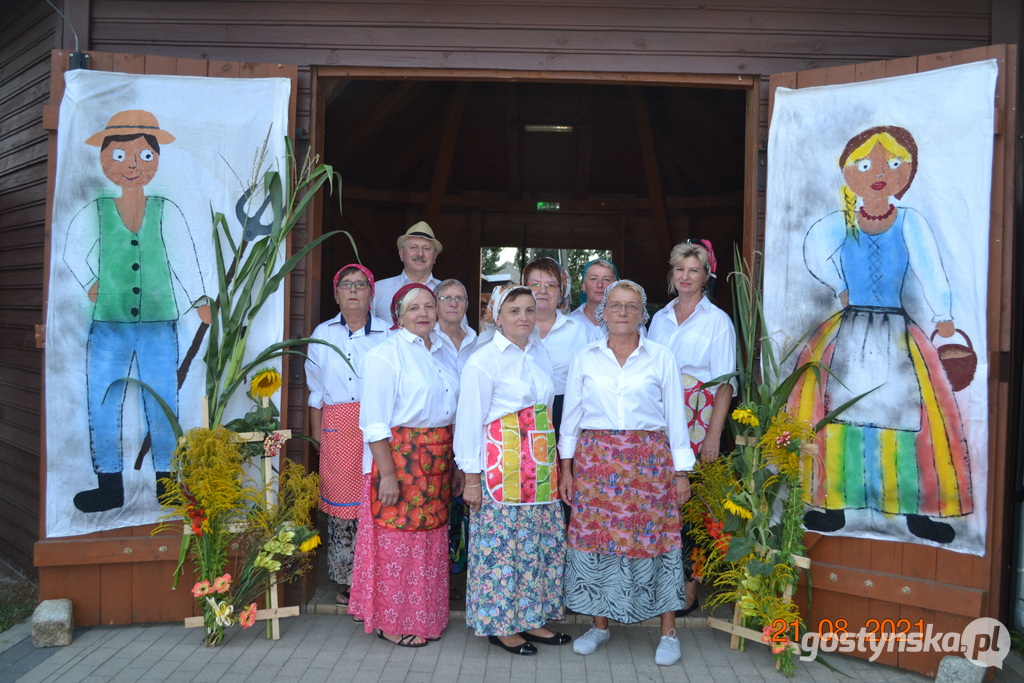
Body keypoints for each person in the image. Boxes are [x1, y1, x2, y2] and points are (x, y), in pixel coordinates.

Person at [793, 125, 971, 544]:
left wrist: (944, 313)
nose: (878, 171)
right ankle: (834, 506)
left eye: (892, 163)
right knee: (836, 416)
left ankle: (913, 510)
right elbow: (813, 251)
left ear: (906, 173)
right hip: (852, 330)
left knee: (908, 419)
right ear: (848, 172)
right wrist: (840, 286)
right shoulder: (840, 223)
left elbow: (931, 269)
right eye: (865, 163)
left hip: (894, 333)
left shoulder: (910, 222)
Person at [63, 109, 210, 513]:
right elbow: (72, 252)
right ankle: (109, 485)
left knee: (163, 400)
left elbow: (185, 259)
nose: (132, 165)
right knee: (103, 402)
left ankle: (167, 482)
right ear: (104, 161)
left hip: (159, 322)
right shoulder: (96, 211)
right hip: (108, 324)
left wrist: (199, 301)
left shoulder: (166, 210)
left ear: (156, 161)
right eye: (121, 156)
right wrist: (90, 282)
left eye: (144, 156)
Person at [558, 280, 694, 667]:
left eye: (631, 306)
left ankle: (668, 632)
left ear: (642, 312)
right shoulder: (585, 356)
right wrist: (566, 468)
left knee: (658, 540)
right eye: (615, 305)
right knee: (597, 541)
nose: (622, 312)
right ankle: (599, 625)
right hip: (596, 462)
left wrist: (681, 472)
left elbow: (675, 418)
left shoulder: (661, 356)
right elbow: (571, 418)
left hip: (648, 463)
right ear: (602, 312)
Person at [454, 286, 569, 656]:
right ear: (496, 316)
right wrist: (471, 479)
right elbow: (469, 421)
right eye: (514, 310)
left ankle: (532, 617)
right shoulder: (483, 360)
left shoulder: (539, 353)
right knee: (502, 549)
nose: (523, 317)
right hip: (501, 467)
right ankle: (501, 624)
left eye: (529, 310)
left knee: (536, 546)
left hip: (539, 466)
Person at [348, 284, 460, 647]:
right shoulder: (386, 355)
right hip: (400, 460)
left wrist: (456, 465)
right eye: (415, 308)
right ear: (398, 314)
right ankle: (390, 621)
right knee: (396, 543)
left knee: (429, 541)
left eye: (430, 305)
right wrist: (389, 476)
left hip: (437, 461)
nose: (424, 313)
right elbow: (374, 422)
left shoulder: (443, 353)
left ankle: (425, 617)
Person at [647, 239, 736, 614]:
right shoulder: (658, 318)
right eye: (680, 269)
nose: (685, 276)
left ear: (705, 276)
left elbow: (725, 384)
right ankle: (655, 584)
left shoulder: (717, 321)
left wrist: (713, 436)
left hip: (700, 419)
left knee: (694, 507)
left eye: (693, 270)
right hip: (662, 419)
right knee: (660, 504)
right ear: (672, 274)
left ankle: (689, 587)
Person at [305, 264, 389, 607]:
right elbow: (315, 394)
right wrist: (318, 443)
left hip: (378, 425)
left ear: (372, 294)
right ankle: (349, 582)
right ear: (336, 294)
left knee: (378, 501)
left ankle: (377, 578)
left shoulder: (388, 333)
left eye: (360, 285)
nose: (353, 291)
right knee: (343, 510)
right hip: (337, 426)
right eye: (346, 285)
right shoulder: (322, 333)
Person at [520, 257, 589, 431]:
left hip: (568, 414)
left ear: (561, 292)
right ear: (524, 289)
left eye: (551, 285)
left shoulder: (580, 331)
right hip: (519, 414)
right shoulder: (511, 330)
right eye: (535, 284)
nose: (543, 290)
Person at [371, 221, 443, 321]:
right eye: (414, 247)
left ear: (435, 256)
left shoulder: (447, 293)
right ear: (401, 254)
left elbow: (461, 333)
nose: (420, 254)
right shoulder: (378, 290)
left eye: (426, 248)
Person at [434, 279, 479, 373]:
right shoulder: (427, 339)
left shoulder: (476, 342)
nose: (454, 304)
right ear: (435, 304)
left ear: (466, 304)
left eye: (459, 298)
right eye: (446, 298)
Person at [568, 258, 618, 341]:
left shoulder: (631, 323)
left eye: (606, 279)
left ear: (616, 286)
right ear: (583, 286)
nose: (599, 285)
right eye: (593, 279)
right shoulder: (569, 322)